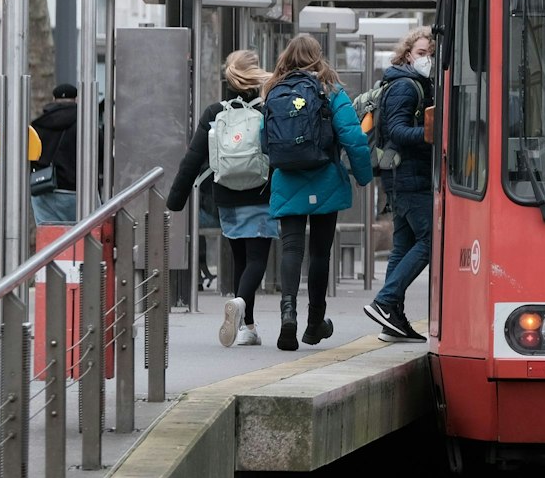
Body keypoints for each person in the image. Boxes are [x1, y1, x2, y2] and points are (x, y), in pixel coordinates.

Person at [264, 34, 372, 352]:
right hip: (325, 178)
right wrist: (363, 177)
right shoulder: (331, 90)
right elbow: (353, 138)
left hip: (288, 179)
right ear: (318, 56)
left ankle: (288, 315)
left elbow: (264, 141)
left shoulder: (274, 90)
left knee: (291, 249)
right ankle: (315, 323)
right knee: (320, 253)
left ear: (286, 57)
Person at [165, 50, 273, 347]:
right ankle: (240, 304)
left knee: (240, 259)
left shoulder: (215, 112)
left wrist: (175, 199)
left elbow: (192, 158)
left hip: (226, 195)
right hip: (261, 193)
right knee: (256, 260)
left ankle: (248, 327)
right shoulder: (266, 111)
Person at [364, 27, 435, 343]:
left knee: (403, 245)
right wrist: (432, 134)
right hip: (409, 176)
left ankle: (392, 320)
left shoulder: (412, 83)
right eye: (421, 53)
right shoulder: (406, 86)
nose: (427, 59)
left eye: (431, 54)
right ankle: (385, 300)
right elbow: (396, 130)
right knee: (430, 240)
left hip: (403, 176)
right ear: (407, 55)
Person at [30, 84, 80, 226]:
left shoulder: (39, 124)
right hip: (77, 192)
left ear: (53, 99)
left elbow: (31, 156)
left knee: (48, 234)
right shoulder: (85, 123)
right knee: (85, 234)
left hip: (45, 190)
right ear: (76, 99)